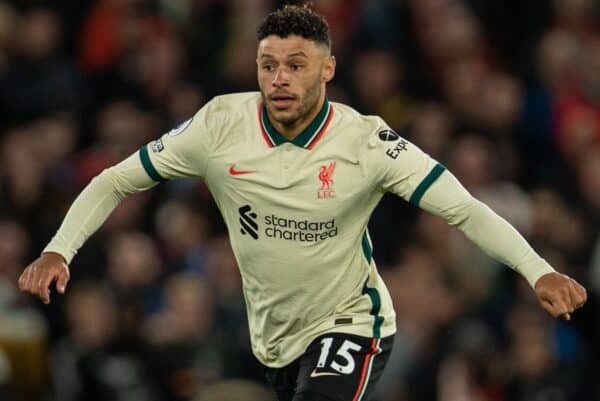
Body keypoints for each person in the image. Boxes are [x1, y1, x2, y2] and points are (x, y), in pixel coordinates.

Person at [18, 5, 587, 401]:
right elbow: (117, 179)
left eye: (296, 65)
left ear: (328, 69)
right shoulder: (219, 125)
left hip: (353, 322)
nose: (280, 79)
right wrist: (58, 250)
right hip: (271, 339)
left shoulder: (368, 142)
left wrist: (537, 270)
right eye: (269, 65)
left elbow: (462, 207)